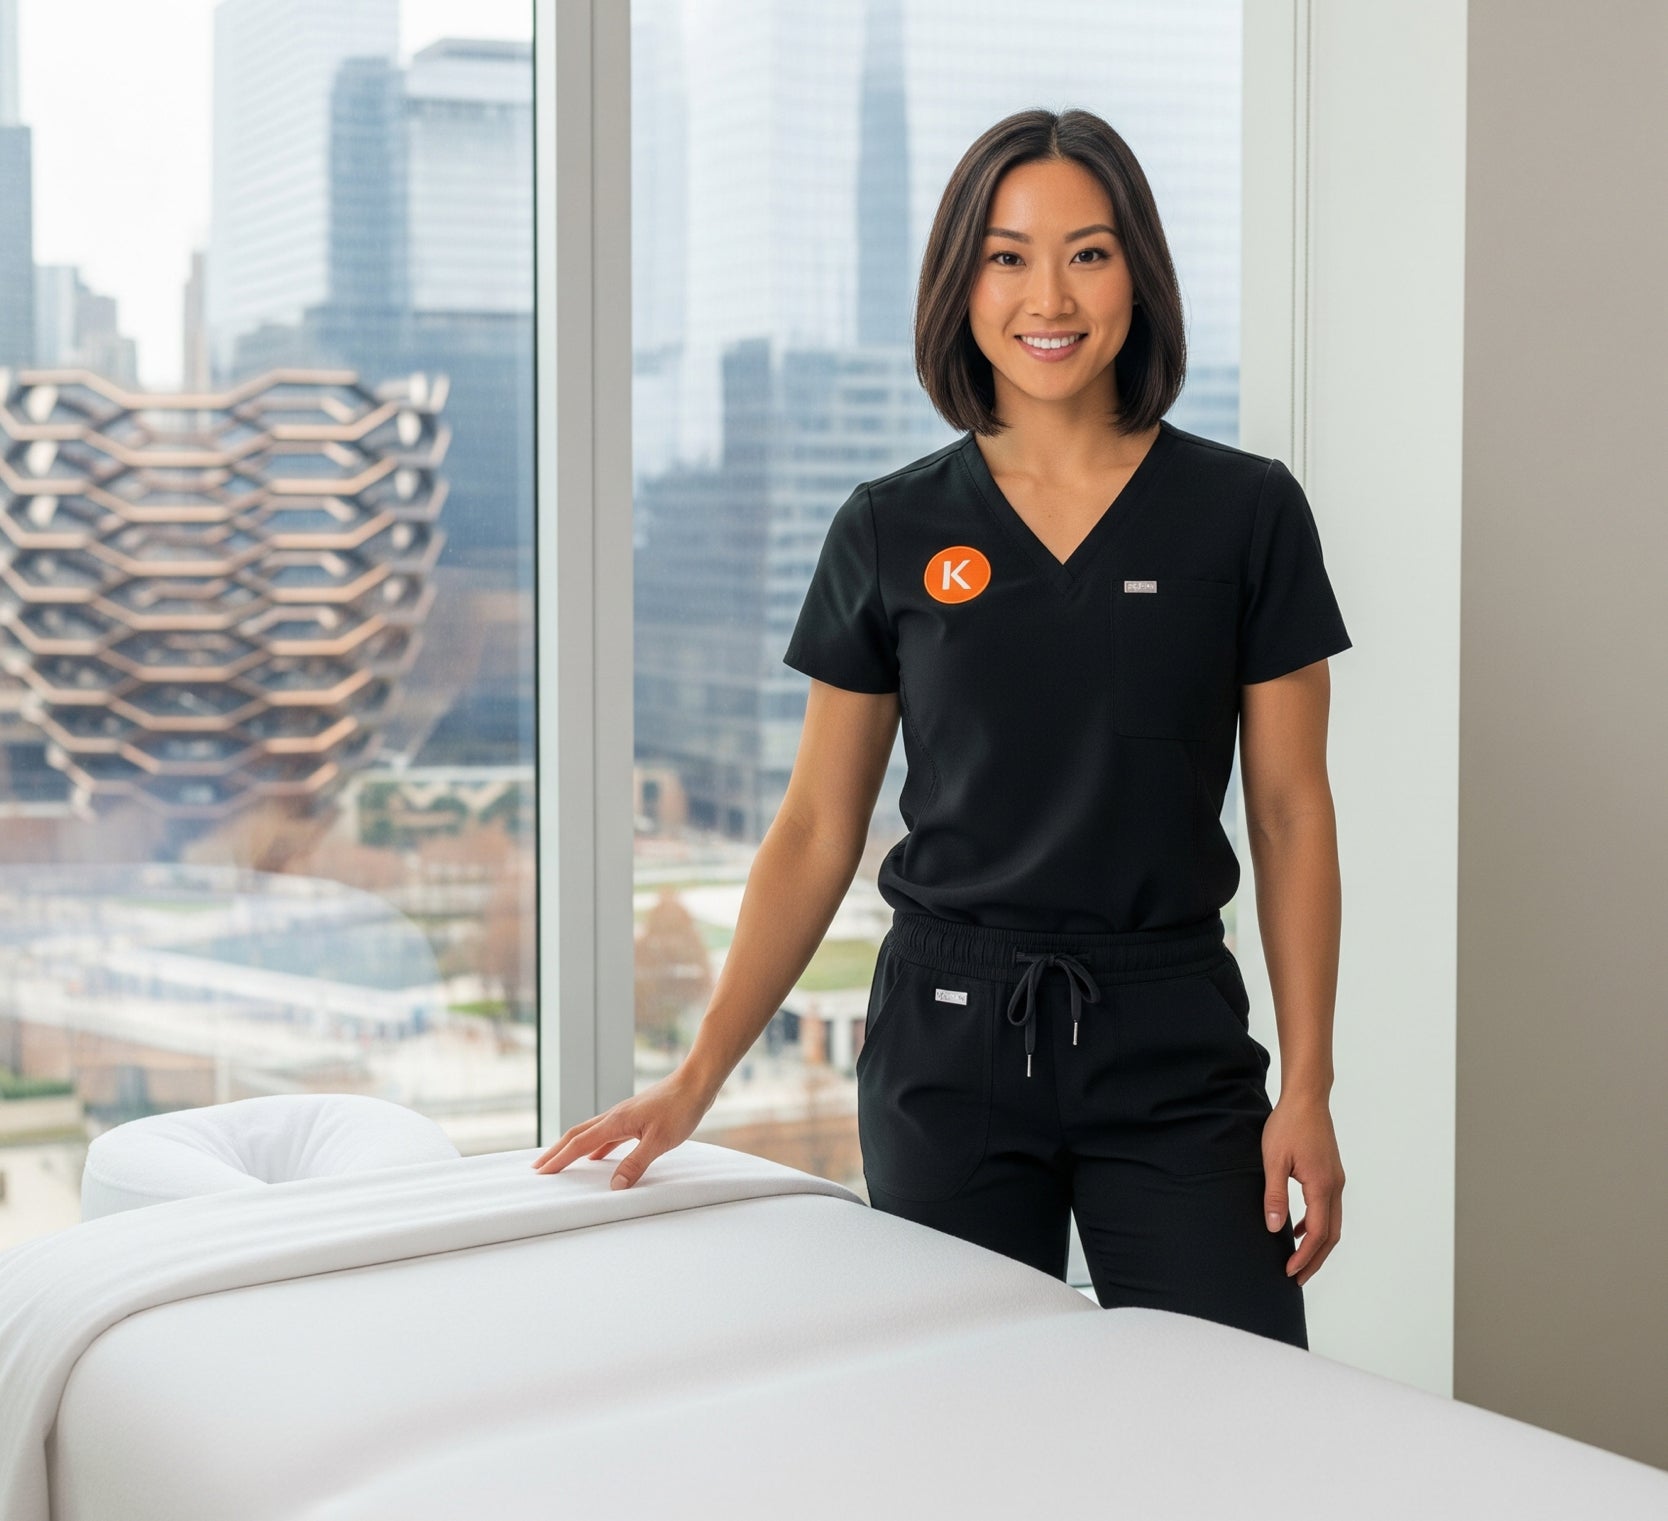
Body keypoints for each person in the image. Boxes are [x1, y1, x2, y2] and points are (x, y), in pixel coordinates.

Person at [532, 107, 1350, 1351]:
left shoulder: (1245, 515)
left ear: (1139, 274)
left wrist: (1309, 1085)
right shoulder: (888, 527)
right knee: (957, 1423)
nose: (1049, 297)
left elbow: (1290, 815)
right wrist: (699, 1076)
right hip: (948, 1041)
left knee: (1243, 1409)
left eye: (1089, 253)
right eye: (1007, 257)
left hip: (1173, 1041)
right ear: (961, 285)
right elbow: (816, 828)